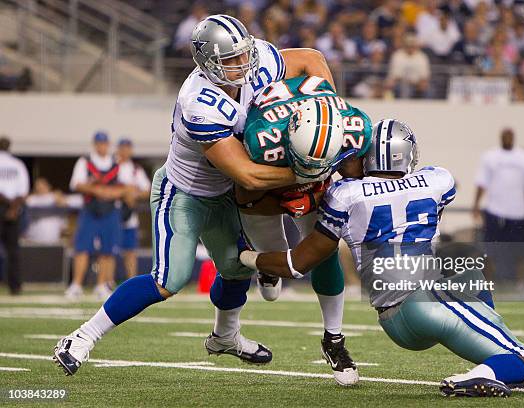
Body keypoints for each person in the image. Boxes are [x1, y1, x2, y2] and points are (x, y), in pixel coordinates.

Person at [54, 14, 338, 378]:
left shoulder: (257, 62)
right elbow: (245, 172)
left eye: (244, 54)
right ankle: (81, 337)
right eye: (231, 59)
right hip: (185, 193)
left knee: (237, 270)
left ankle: (225, 337)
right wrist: (309, 167)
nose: (243, 64)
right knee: (168, 279)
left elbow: (312, 59)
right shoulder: (199, 101)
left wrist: (327, 108)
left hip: (225, 194)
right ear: (207, 62)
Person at [238, 120, 524, 397]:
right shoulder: (436, 180)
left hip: (395, 322)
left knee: (473, 276)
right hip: (427, 303)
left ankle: (494, 359)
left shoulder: (347, 194)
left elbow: (296, 264)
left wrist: (248, 256)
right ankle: (478, 373)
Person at [238, 81, 373, 386]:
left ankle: (334, 339)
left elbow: (356, 177)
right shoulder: (260, 138)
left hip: (315, 178)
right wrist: (283, 191)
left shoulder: (356, 129)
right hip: (270, 181)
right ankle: (266, 266)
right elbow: (244, 190)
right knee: (274, 261)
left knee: (323, 250)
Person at [65, 132, 131, 302]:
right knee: (82, 247)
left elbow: (127, 187)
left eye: (104, 143)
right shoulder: (85, 161)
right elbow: (76, 184)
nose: (102, 146)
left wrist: (109, 193)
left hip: (110, 210)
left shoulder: (116, 163)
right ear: (95, 144)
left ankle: (101, 284)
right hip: (90, 209)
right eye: (99, 143)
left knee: (107, 249)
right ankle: (76, 284)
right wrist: (96, 189)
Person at [473, 128, 524, 283]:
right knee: (490, 251)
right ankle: (487, 284)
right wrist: (475, 205)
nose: (507, 138)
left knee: (520, 251)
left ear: (514, 138)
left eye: (510, 136)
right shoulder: (490, 156)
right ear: (500, 137)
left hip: (519, 212)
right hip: (494, 211)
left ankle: (521, 284)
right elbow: (481, 183)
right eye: (505, 136)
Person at [115, 138, 151, 280]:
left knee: (130, 251)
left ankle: (131, 280)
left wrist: (133, 194)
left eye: (127, 148)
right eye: (122, 148)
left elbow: (147, 190)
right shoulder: (111, 166)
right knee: (108, 251)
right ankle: (106, 282)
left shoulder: (135, 169)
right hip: (111, 212)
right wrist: (124, 191)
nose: (124, 151)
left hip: (129, 213)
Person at [0, 136, 29, 295]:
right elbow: (23, 191)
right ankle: (15, 286)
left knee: (13, 250)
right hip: (14, 208)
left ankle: (15, 286)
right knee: (13, 250)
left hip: (6, 206)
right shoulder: (17, 164)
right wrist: (13, 207)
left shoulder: (17, 164)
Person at [384, 34, 431, 99]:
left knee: (429, 90)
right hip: (400, 83)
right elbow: (395, 76)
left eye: (412, 45)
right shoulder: (397, 55)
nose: (410, 47)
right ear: (404, 45)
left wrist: (420, 83)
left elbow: (425, 76)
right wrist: (407, 82)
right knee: (405, 89)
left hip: (417, 84)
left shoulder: (422, 57)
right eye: (408, 45)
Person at [24, 178, 67, 244]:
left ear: (48, 186)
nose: (40, 187)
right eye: (38, 185)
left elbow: (64, 205)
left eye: (43, 185)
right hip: (33, 241)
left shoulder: (55, 198)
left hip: (53, 241)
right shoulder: (31, 199)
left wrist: (59, 197)